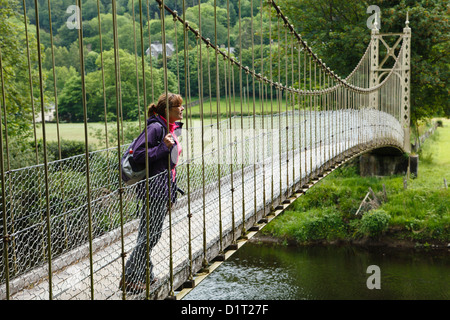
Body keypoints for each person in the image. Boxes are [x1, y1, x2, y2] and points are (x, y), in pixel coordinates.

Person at [120, 92, 184, 293]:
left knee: (149, 234)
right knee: (150, 236)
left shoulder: (169, 127)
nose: (182, 109)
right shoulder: (156, 127)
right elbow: (138, 155)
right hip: (154, 189)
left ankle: (146, 274)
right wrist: (163, 148)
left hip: (163, 187)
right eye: (178, 106)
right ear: (167, 110)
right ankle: (130, 277)